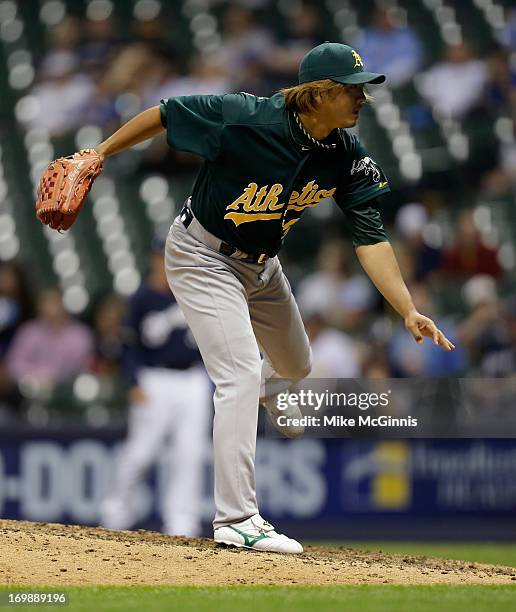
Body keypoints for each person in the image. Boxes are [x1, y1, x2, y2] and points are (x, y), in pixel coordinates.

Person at [92, 42, 455, 554]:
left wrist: (408, 308)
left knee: (295, 365)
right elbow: (166, 113)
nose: (362, 99)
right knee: (238, 372)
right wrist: (98, 154)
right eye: (352, 90)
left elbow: (370, 236)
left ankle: (264, 392)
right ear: (318, 94)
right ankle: (236, 518)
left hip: (261, 265)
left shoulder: (344, 153)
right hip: (201, 254)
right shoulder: (246, 117)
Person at [100, 243, 211, 536]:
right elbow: (126, 345)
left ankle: (182, 523)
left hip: (192, 379)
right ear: (152, 259)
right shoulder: (142, 298)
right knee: (141, 451)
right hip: (154, 378)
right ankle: (115, 512)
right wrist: (133, 381)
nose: (166, 262)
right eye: (161, 256)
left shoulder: (194, 292)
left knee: (191, 453)